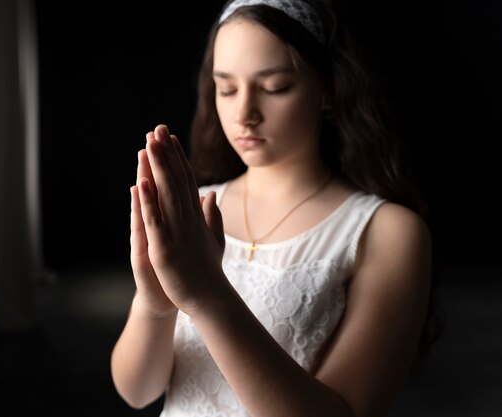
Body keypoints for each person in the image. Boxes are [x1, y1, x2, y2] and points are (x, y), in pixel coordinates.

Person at [111, 0, 439, 416]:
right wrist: (154, 303)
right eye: (226, 88)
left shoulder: (388, 232)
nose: (244, 114)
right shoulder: (194, 210)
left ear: (329, 90)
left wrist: (207, 295)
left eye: (275, 87)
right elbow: (136, 391)